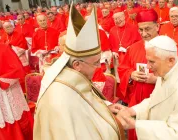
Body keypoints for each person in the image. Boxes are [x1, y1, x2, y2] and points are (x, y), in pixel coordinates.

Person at [34, 4, 125, 140]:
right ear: (76, 64)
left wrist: (106, 107)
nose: (97, 67)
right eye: (95, 63)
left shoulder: (72, 76)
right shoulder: (59, 95)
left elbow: (86, 101)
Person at [117, 35, 178, 139]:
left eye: (151, 61)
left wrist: (135, 124)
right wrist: (132, 111)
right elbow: (154, 101)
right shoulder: (166, 72)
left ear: (170, 60)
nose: (147, 66)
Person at [118, 9, 158, 140]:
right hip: (136, 98)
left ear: (157, 26)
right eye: (140, 30)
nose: (144, 34)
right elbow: (123, 69)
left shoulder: (168, 47)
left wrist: (156, 79)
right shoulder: (134, 48)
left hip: (158, 98)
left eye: (148, 29)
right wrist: (131, 74)